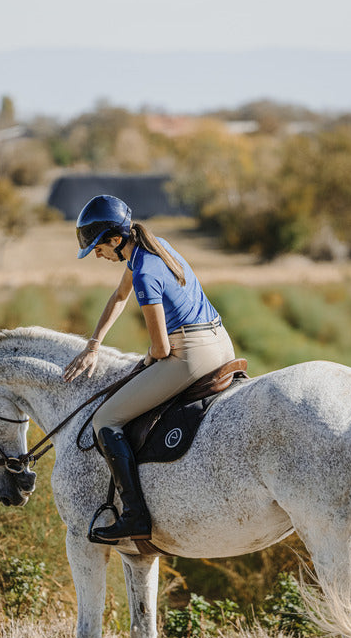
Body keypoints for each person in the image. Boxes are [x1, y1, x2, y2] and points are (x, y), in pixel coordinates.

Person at [63, 194, 235, 544]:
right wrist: (94, 343)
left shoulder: (143, 270)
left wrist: (144, 363)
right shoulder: (153, 247)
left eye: (97, 248)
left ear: (114, 240)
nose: (96, 255)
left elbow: (161, 349)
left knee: (105, 420)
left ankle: (135, 516)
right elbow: (118, 297)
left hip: (192, 354)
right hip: (221, 341)